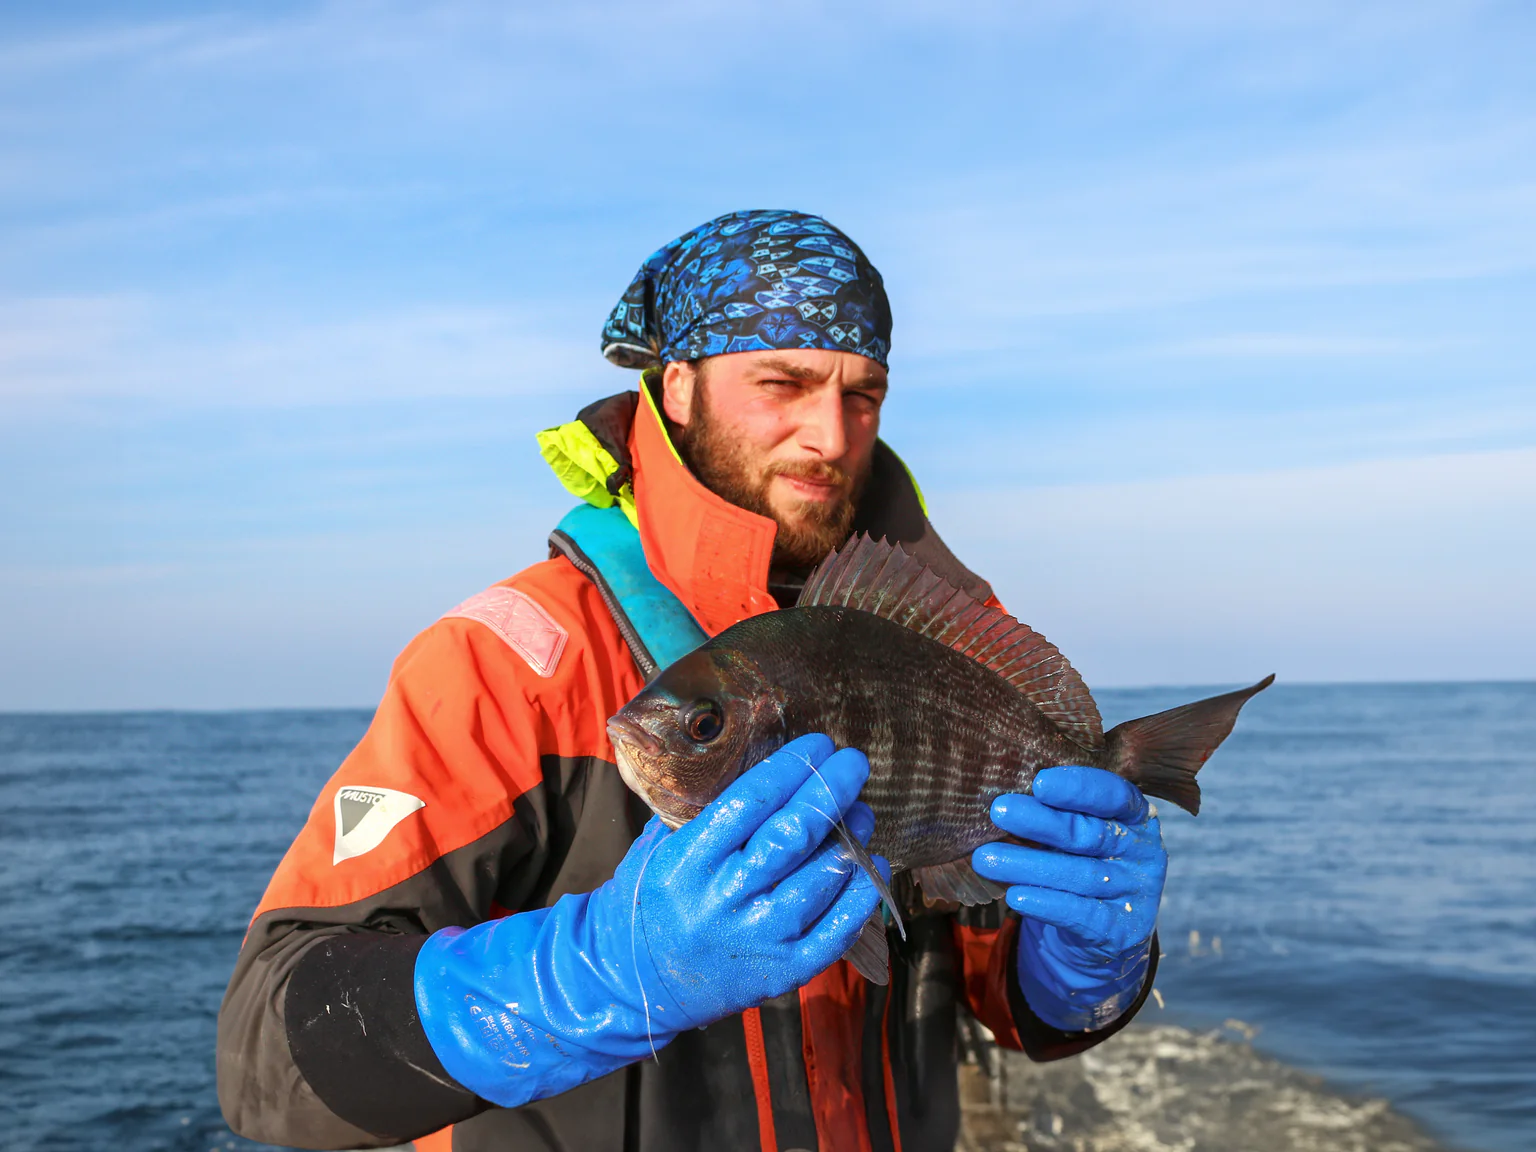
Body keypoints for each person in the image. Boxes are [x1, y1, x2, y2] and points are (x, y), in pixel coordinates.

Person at [216, 209, 1167, 1152]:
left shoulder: (946, 644)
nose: (830, 435)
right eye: (781, 383)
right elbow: (268, 1049)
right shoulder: (506, 664)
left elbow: (1011, 1006)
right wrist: (600, 971)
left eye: (862, 394)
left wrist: (1083, 967)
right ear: (677, 386)